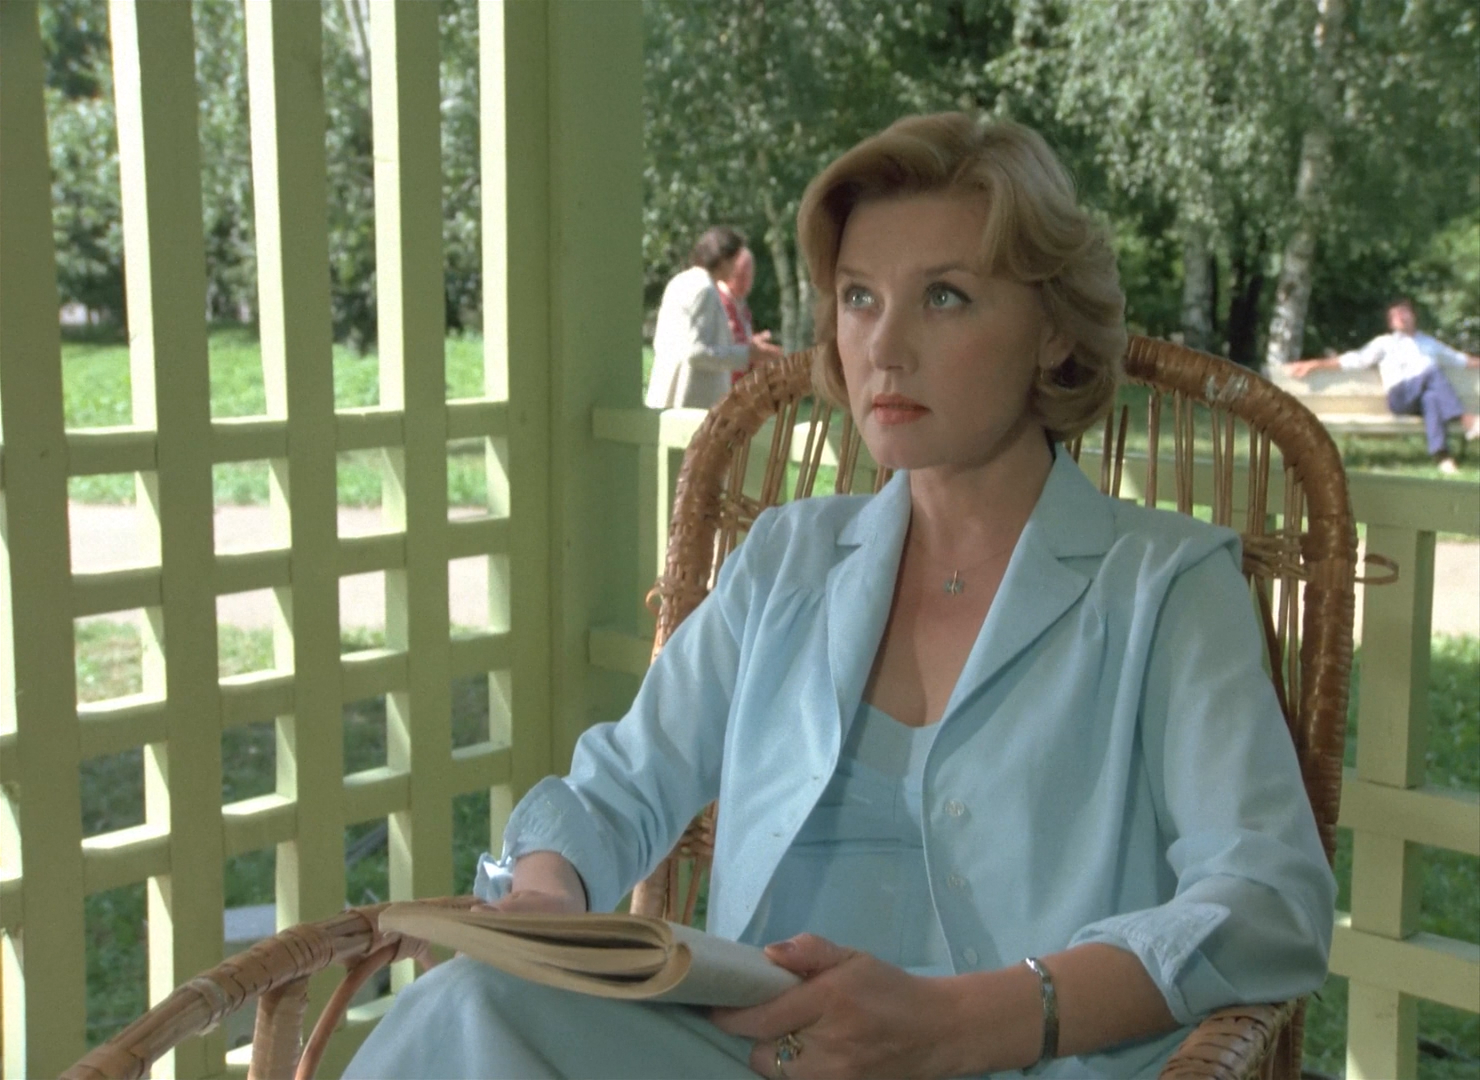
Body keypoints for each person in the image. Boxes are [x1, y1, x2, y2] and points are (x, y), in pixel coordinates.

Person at [346, 114, 1334, 1080]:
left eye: (944, 297)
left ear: (1051, 333)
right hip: (752, 1052)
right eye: (860, 297)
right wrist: (546, 897)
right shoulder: (789, 558)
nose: (884, 348)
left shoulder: (1165, 585)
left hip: (1026, 1058)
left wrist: (967, 1025)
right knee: (468, 1004)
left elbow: (1268, 901)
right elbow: (617, 790)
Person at [1286, 299, 1480, 474]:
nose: (1401, 318)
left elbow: (1461, 360)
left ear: (1414, 316)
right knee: (1431, 372)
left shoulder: (1429, 343)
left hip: (1419, 402)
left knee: (1432, 398)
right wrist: (1315, 364)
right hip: (1399, 398)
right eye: (1395, 315)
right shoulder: (1384, 343)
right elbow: (1354, 360)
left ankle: (1442, 457)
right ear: (1391, 323)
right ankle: (1467, 420)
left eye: (1404, 312)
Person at [646, 227, 784, 409]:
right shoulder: (705, 289)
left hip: (666, 394)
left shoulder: (679, 281)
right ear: (724, 259)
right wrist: (748, 353)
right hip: (689, 401)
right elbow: (696, 352)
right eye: (734, 261)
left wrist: (742, 346)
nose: (735, 268)